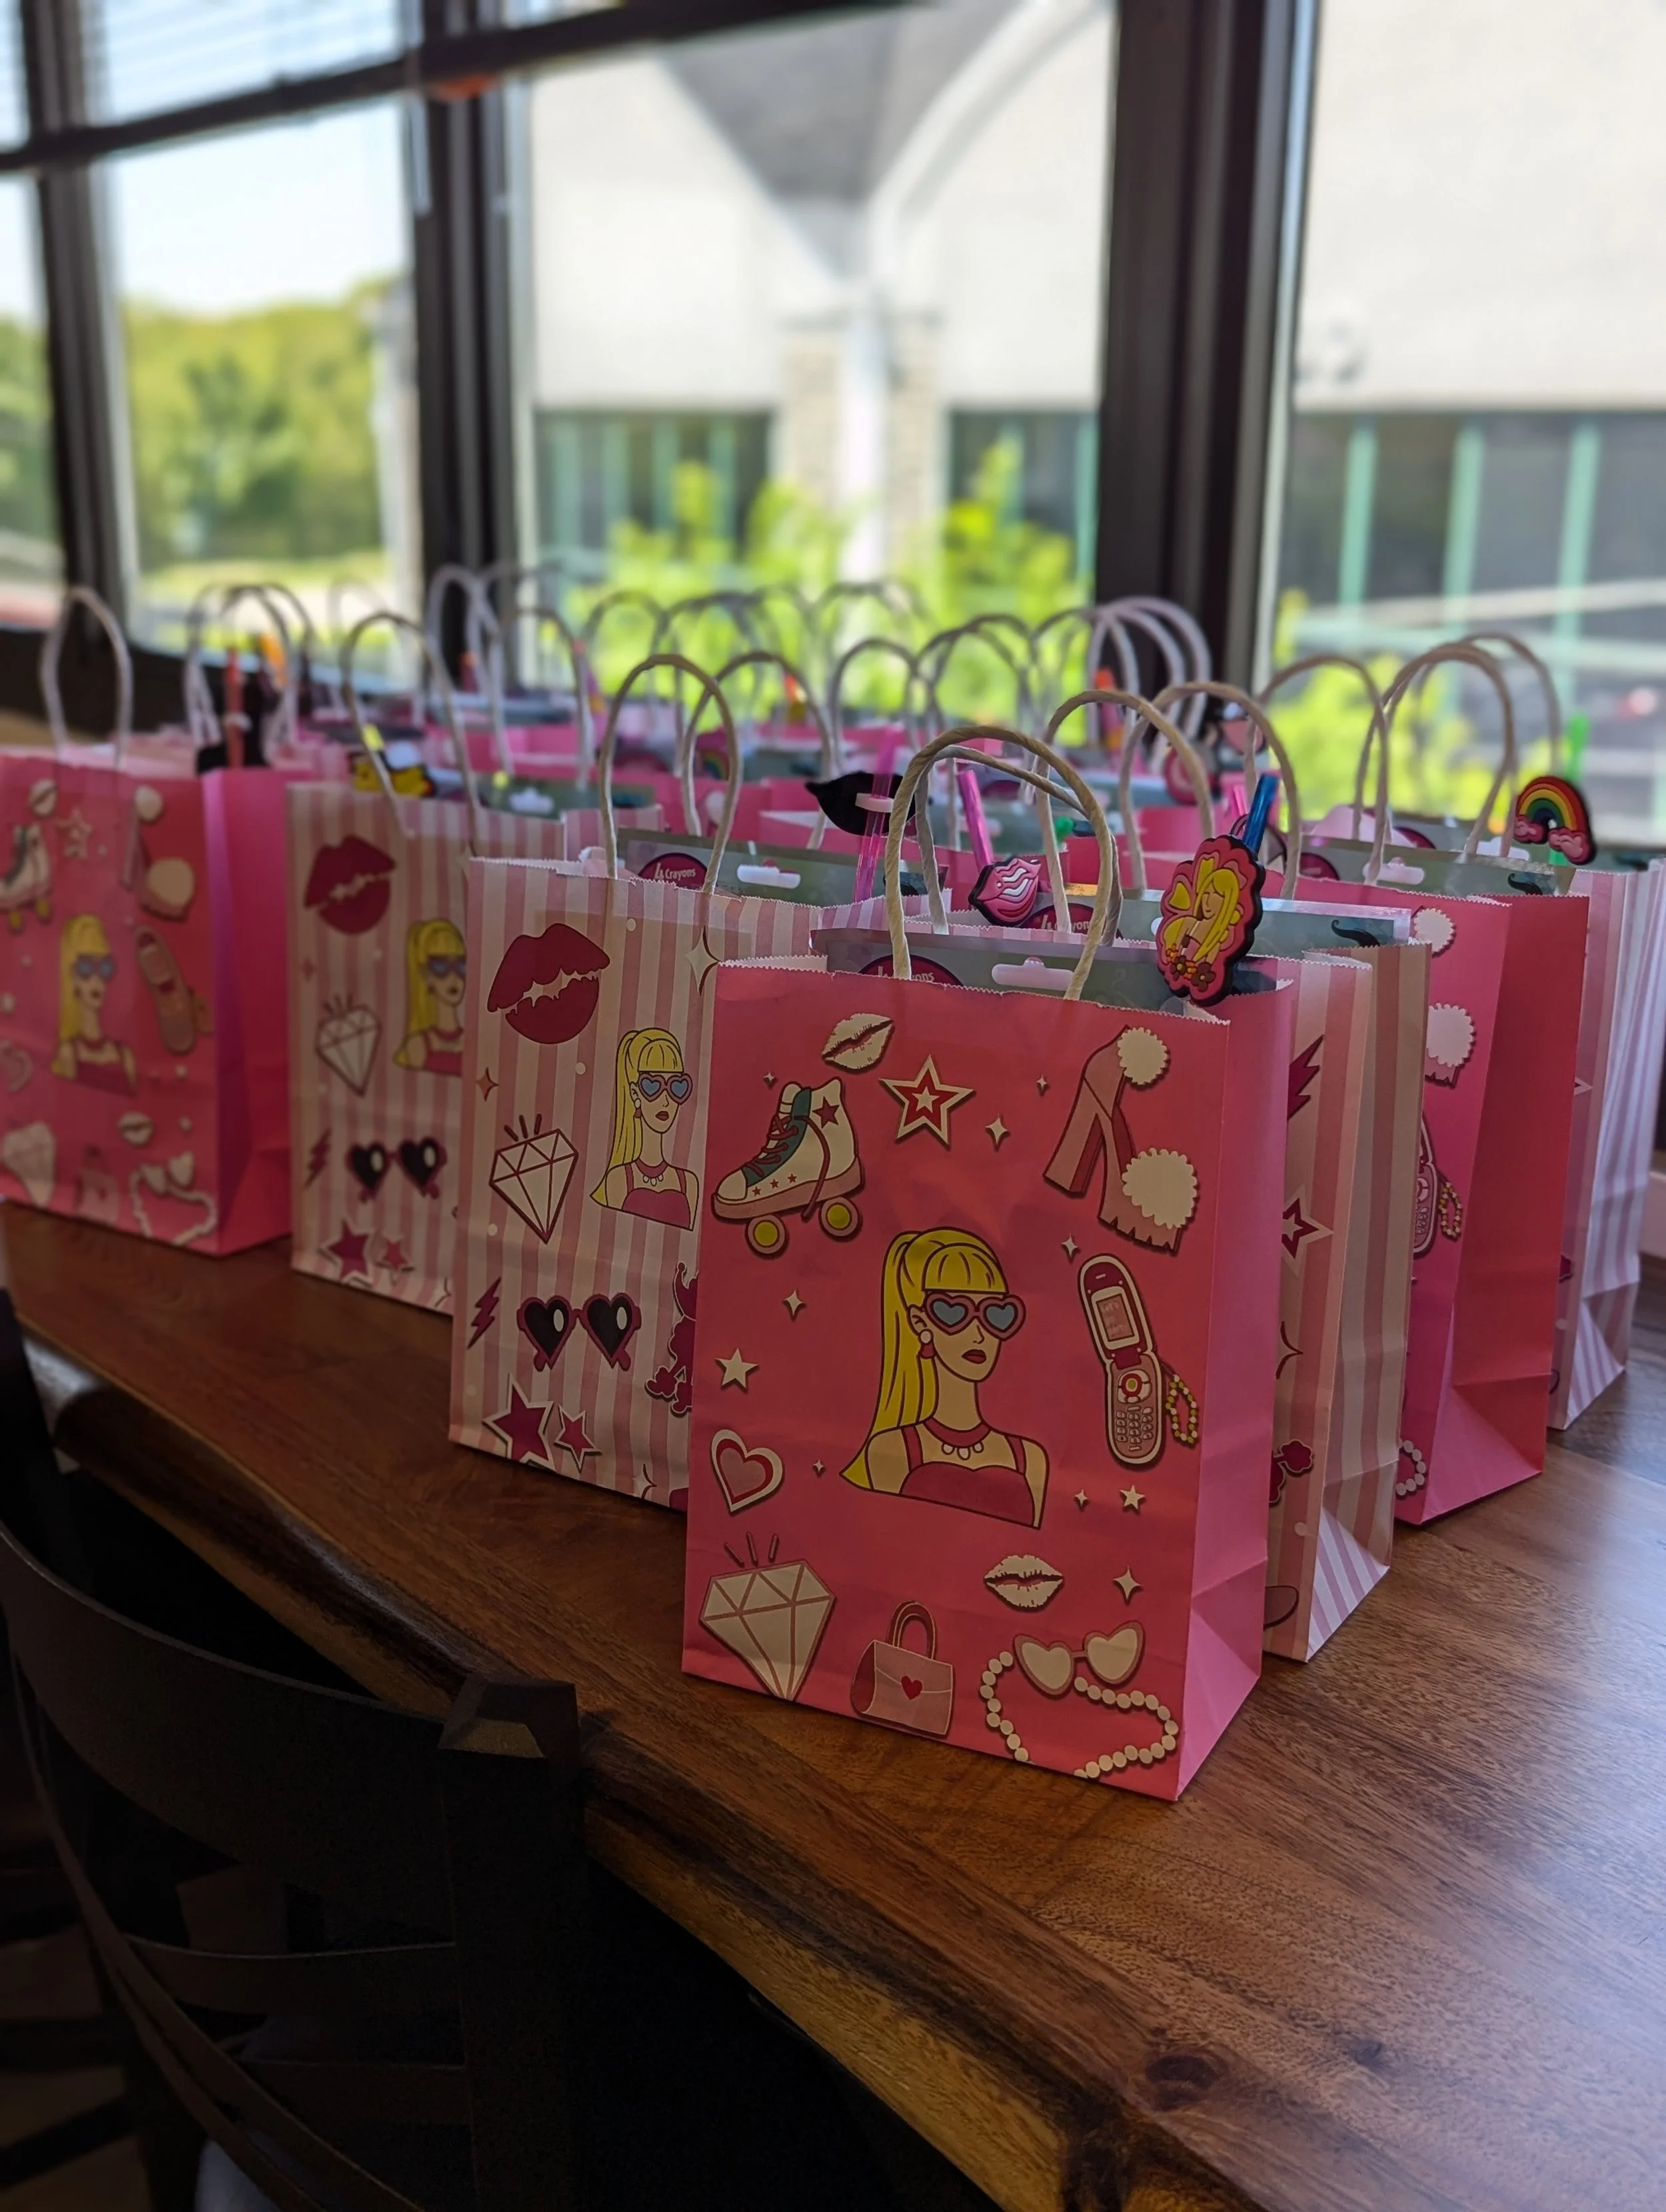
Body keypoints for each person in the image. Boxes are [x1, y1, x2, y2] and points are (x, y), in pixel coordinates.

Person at [841, 1227, 1048, 1526]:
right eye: (954, 1313)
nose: (978, 1334)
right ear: (920, 1323)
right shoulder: (893, 1450)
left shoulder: (1029, 1458)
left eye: (996, 1314)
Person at [590, 1027, 697, 1228]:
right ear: (635, 1094)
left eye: (676, 1086)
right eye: (652, 1086)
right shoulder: (619, 1179)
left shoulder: (689, 1183)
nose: (665, 1100)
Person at [49, 915, 136, 1095]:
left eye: (104, 968)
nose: (96, 980)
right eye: (86, 968)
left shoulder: (125, 1056)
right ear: (72, 976)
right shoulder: (68, 1054)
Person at [393, 918, 466, 1075]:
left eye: (461, 965)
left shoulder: (475, 1042)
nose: (453, 978)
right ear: (426, 975)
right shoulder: (417, 1046)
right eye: (441, 966)